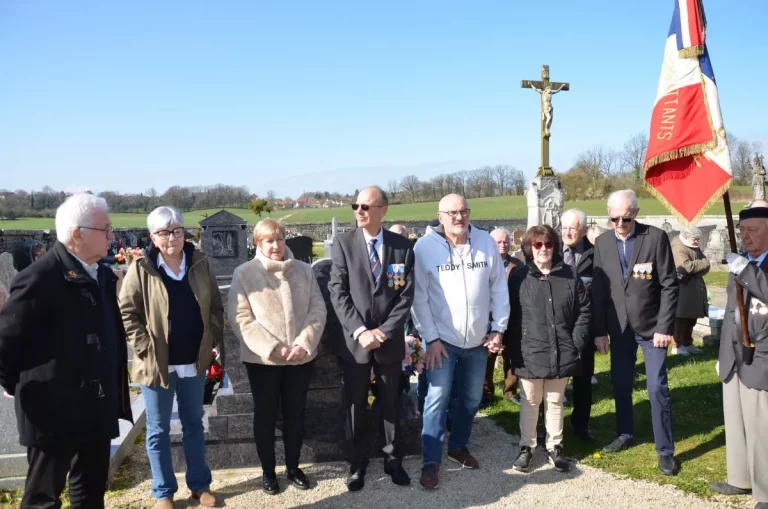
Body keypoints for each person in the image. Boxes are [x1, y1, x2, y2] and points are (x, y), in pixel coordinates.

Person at [0, 193, 133, 509]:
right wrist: (13, 385)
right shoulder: (38, 278)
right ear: (77, 234)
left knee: (90, 493)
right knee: (42, 499)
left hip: (95, 407)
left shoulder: (100, 274)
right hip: (53, 411)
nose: (112, 236)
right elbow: (5, 340)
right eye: (106, 229)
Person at [119, 206, 222, 509]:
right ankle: (163, 492)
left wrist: (211, 336)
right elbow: (128, 311)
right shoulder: (142, 268)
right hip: (157, 364)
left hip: (193, 360)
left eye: (177, 230)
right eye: (164, 232)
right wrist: (144, 347)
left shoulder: (199, 261)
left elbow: (215, 304)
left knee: (193, 423)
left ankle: (199, 486)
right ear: (153, 237)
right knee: (159, 429)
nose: (172, 237)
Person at [411, 194, 508, 490]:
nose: (459, 217)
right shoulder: (425, 248)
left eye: (464, 211)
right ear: (439, 216)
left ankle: (458, 446)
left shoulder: (485, 242)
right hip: (442, 341)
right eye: (452, 212)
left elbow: (499, 288)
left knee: (471, 399)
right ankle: (430, 461)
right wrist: (431, 338)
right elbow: (419, 298)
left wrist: (498, 329)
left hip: (478, 341)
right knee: (436, 400)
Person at [229, 218, 326, 495]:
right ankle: (268, 472)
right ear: (258, 243)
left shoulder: (304, 272)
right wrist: (272, 347)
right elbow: (240, 317)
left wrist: (303, 343)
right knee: (266, 416)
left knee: (296, 413)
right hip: (263, 361)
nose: (276, 246)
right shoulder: (245, 273)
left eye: (280, 239)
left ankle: (294, 467)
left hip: (299, 358)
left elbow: (317, 310)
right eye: (269, 241)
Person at [329, 186, 415, 491]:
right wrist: (361, 331)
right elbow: (337, 292)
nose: (359, 211)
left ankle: (393, 461)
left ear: (383, 210)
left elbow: (404, 296)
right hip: (355, 343)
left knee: (391, 401)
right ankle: (357, 463)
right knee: (355, 404)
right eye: (356, 206)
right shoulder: (344, 243)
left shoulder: (402, 247)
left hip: (388, 341)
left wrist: (385, 331)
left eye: (366, 206)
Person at [592, 190, 679, 476]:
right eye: (614, 218)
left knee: (656, 387)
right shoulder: (603, 242)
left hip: (652, 327)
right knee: (619, 384)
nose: (619, 224)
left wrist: (665, 327)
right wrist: (600, 330)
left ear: (636, 213)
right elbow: (600, 290)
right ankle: (625, 432)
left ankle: (665, 450)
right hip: (619, 328)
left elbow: (669, 284)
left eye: (625, 219)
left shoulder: (654, 238)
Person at [507, 225, 590, 473]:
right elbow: (511, 315)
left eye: (549, 244)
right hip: (529, 350)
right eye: (538, 244)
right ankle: (527, 447)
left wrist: (577, 341)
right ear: (530, 248)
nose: (544, 249)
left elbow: (584, 311)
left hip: (563, 348)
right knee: (530, 400)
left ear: (555, 247)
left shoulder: (570, 275)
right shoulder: (519, 277)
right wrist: (513, 349)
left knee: (555, 400)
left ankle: (555, 447)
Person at [709, 206, 768, 509]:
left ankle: (765, 492)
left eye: (753, 231)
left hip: (761, 355)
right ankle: (739, 478)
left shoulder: (751, 266)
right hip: (734, 353)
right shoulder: (741, 263)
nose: (745, 237)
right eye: (742, 231)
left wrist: (746, 270)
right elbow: (732, 310)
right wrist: (722, 352)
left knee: (760, 427)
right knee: (734, 419)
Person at [560, 208, 597, 443]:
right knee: (554, 382)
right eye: (564, 227)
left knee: (583, 383)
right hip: (558, 328)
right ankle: (551, 428)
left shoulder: (597, 255)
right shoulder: (551, 253)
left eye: (573, 228)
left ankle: (581, 425)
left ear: (584, 229)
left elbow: (603, 293)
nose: (568, 232)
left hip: (586, 328)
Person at [481, 227, 523, 407]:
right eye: (498, 242)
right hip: (488, 316)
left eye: (506, 241)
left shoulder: (518, 265)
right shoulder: (483, 262)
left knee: (511, 356)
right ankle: (486, 393)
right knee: (487, 356)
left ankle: (510, 391)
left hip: (512, 315)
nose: (503, 245)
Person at [670, 228, 710, 356]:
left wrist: (701, 265)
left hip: (694, 286)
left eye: (698, 239)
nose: (697, 242)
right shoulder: (678, 247)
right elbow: (686, 267)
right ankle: (677, 345)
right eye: (695, 239)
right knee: (681, 317)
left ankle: (688, 342)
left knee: (692, 317)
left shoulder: (694, 246)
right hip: (682, 286)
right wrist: (702, 264)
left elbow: (706, 265)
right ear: (686, 237)